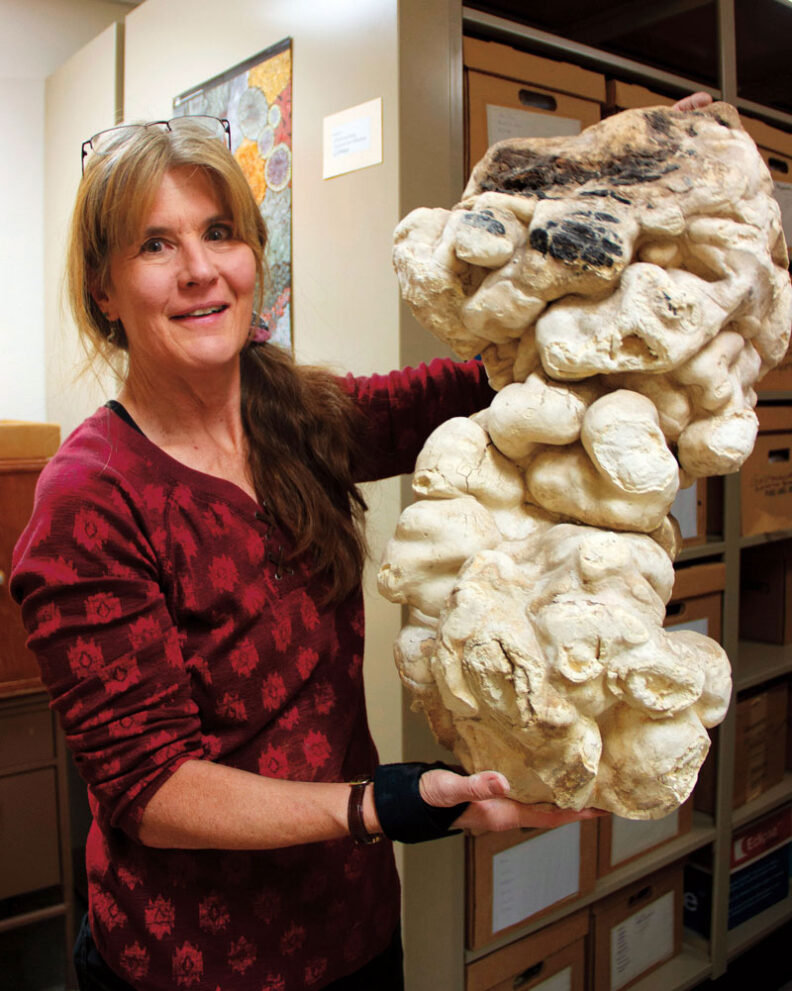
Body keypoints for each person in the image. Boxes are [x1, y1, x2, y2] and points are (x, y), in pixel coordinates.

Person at [11, 115, 601, 991]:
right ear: (104, 288)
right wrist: (382, 802)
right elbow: (156, 791)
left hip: (353, 929)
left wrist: (625, 187)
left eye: (220, 233)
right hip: (193, 963)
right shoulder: (89, 499)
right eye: (154, 245)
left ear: (254, 254)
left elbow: (458, 390)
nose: (200, 269)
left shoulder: (292, 416)